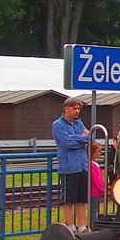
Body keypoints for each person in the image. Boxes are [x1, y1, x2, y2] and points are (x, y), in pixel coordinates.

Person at [52, 97, 91, 232]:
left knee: (81, 199)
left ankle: (82, 226)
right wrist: (81, 138)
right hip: (69, 167)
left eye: (78, 109)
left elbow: (89, 137)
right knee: (68, 199)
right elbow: (67, 143)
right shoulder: (58, 124)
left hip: (82, 165)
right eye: (74, 108)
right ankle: (70, 226)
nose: (77, 111)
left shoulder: (79, 123)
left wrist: (75, 137)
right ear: (66, 108)